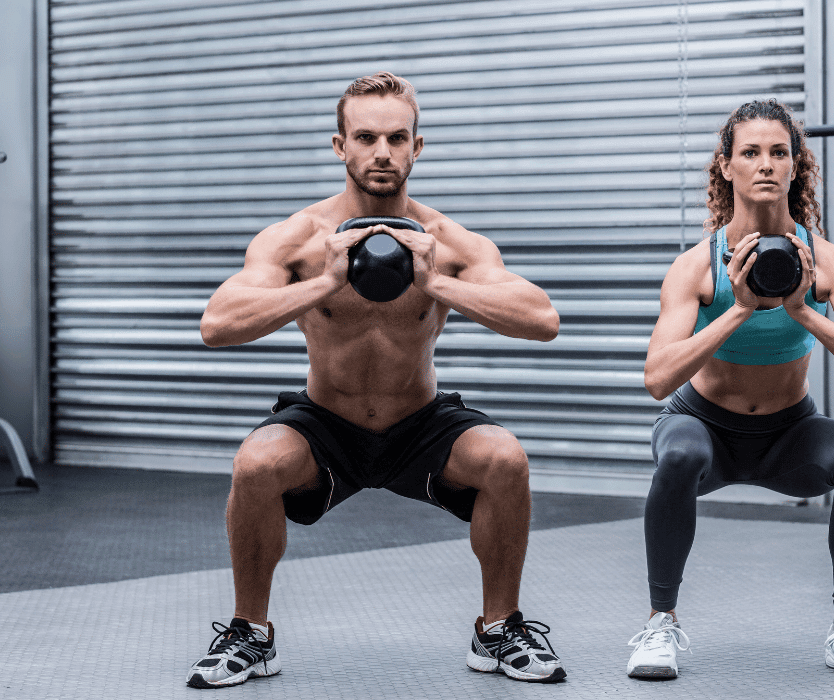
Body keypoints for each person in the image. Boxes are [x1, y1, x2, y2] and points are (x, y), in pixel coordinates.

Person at [186, 72, 566, 688]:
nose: (382, 152)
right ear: (340, 146)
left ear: (419, 146)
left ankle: (498, 628)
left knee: (505, 459)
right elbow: (216, 324)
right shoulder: (300, 239)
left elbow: (543, 320)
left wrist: (438, 285)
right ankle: (251, 633)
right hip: (325, 422)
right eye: (366, 137)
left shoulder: (446, 241)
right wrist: (322, 285)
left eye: (397, 137)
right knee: (255, 464)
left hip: (418, 422)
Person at [626, 99, 834, 680]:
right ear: (726, 166)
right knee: (679, 454)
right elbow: (656, 380)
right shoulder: (696, 266)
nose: (765, 164)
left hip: (787, 434)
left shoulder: (828, 261)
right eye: (750, 152)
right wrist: (739, 309)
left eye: (779, 152)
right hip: (703, 426)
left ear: (796, 165)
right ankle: (659, 623)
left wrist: (802, 310)